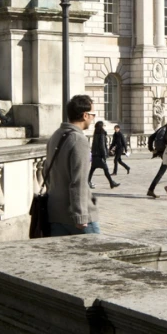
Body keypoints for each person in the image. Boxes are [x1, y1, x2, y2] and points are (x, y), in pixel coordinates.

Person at [45, 94, 100, 236]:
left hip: (56, 211)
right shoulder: (78, 139)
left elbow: (46, 172)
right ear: (85, 115)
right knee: (96, 253)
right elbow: (79, 181)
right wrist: (80, 215)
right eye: (93, 114)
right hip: (77, 214)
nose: (94, 118)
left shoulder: (56, 135)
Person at [146, 117, 167, 198]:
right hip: (166, 153)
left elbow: (151, 137)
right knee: (162, 172)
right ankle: (151, 189)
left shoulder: (162, 128)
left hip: (160, 152)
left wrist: (151, 149)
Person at [88, 120, 120, 189]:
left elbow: (94, 145)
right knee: (105, 170)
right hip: (100, 155)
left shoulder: (95, 133)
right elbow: (102, 145)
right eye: (103, 125)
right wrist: (104, 155)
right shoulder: (102, 133)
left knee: (92, 169)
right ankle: (111, 183)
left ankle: (88, 181)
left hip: (95, 155)